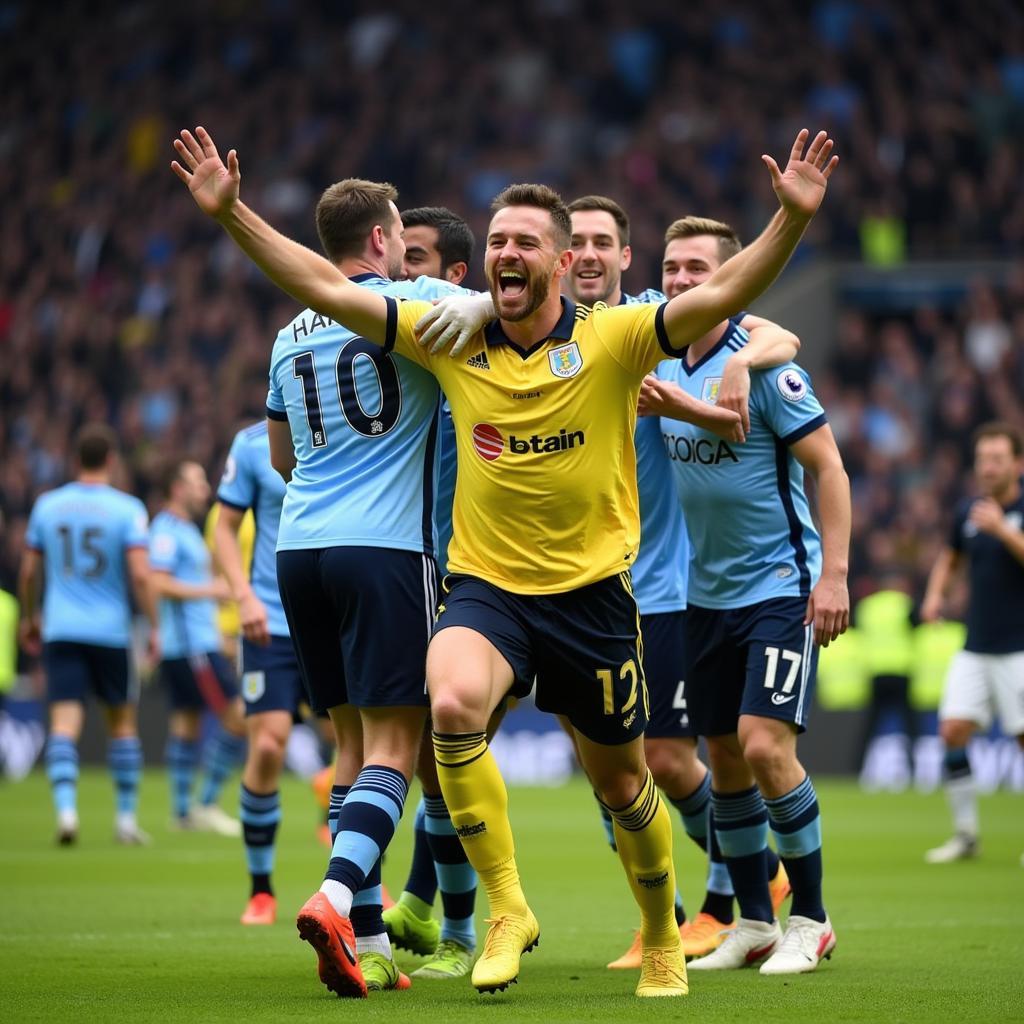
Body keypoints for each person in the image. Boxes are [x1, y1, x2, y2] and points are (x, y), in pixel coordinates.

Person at [171, 122, 838, 999]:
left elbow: (724, 299)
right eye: (496, 243)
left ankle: (661, 933)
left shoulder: (617, 337)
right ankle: (505, 908)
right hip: (487, 591)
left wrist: (789, 222)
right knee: (447, 701)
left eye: (526, 242)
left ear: (563, 265)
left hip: (594, 598)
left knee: (627, 780)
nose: (506, 253)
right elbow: (327, 288)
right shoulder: (447, 337)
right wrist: (233, 216)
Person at [264, 179, 480, 996]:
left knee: (351, 752)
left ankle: (364, 935)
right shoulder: (418, 299)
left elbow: (281, 459)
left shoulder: (286, 334)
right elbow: (496, 310)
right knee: (400, 748)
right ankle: (330, 896)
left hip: (298, 552)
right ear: (385, 239)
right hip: (387, 549)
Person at [564, 196, 792, 968]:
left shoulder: (657, 323)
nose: (589, 253)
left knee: (660, 758)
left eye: (604, 240)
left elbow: (773, 330)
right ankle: (675, 910)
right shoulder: (541, 336)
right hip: (570, 586)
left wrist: (738, 361)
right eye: (578, 242)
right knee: (605, 769)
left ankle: (736, 890)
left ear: (627, 259)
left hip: (661, 585)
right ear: (560, 257)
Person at [644, 215, 850, 976]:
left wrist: (834, 575)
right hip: (704, 595)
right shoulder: (656, 346)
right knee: (725, 757)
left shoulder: (768, 368)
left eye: (697, 268)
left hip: (779, 587)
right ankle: (755, 922)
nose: (679, 282)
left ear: (727, 280)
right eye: (671, 269)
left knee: (765, 746)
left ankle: (812, 917)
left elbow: (831, 470)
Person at [382, 205, 480, 981]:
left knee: (637, 770)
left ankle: (723, 891)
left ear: (454, 276)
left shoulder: (483, 335)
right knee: (437, 749)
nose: (395, 268)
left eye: (412, 257)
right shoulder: (410, 347)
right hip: (445, 573)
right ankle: (448, 922)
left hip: (523, 577)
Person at [18, 424, 159, 845]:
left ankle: (66, 812)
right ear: (111, 461)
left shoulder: (48, 505)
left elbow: (28, 572)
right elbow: (139, 573)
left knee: (64, 723)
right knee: (122, 723)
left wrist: (31, 617)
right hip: (110, 632)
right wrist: (152, 624)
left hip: (61, 627)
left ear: (75, 460)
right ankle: (126, 820)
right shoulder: (128, 508)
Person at [920, 422, 1024, 864]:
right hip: (976, 643)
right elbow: (950, 555)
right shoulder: (969, 510)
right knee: (952, 731)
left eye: (997, 459)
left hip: (1019, 645)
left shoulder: (1011, 513)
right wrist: (934, 595)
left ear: (1017, 464)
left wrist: (1003, 531)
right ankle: (965, 834)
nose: (988, 467)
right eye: (983, 459)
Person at [212, 420, 301, 924]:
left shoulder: (349, 424)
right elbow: (225, 525)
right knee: (267, 745)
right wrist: (243, 595)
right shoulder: (249, 445)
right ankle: (261, 889)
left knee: (358, 751)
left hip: (336, 619)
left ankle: (364, 888)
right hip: (270, 621)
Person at [150, 458, 246, 836]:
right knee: (239, 719)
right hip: (191, 648)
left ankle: (181, 812)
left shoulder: (185, 530)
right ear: (177, 488)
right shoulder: (167, 530)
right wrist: (213, 590)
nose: (205, 488)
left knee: (186, 724)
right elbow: (157, 583)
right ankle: (205, 803)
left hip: (194, 644)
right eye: (197, 482)